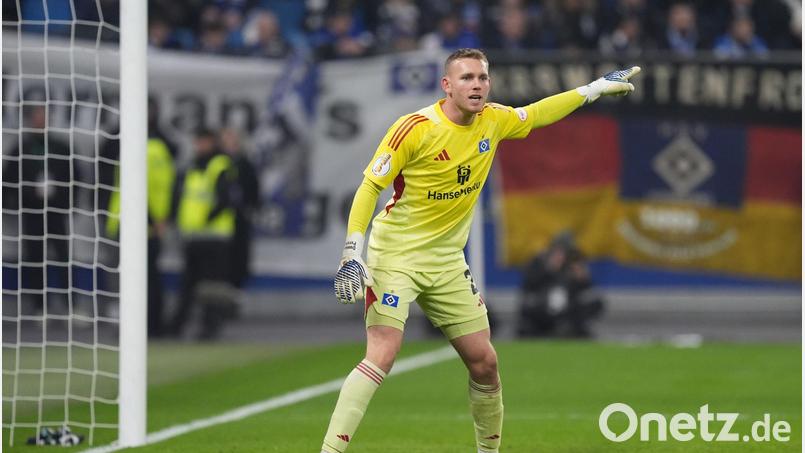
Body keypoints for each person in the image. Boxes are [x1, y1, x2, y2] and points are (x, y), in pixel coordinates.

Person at [322, 48, 640, 453]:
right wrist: (353, 250)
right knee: (383, 353)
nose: (476, 86)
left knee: (485, 363)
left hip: (448, 264)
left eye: (482, 78)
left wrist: (593, 89)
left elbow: (538, 112)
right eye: (467, 78)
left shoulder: (493, 120)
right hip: (396, 258)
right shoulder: (414, 128)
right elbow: (370, 187)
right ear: (447, 85)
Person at [103, 99, 177, 337]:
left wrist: (155, 218)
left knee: (135, 275)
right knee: (142, 276)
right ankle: (147, 324)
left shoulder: (142, 146)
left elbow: (150, 188)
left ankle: (143, 324)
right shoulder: (146, 146)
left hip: (135, 221)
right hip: (134, 221)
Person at [169, 128, 237, 340]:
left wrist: (206, 219)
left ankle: (210, 326)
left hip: (215, 236)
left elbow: (226, 200)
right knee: (189, 283)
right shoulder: (193, 166)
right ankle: (178, 325)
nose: (199, 146)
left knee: (211, 286)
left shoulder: (220, 166)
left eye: (203, 141)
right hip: (194, 236)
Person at [516, 233, 605, 338]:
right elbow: (527, 292)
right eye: (558, 251)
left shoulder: (574, 268)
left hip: (567, 316)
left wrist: (581, 279)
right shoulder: (539, 265)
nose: (561, 256)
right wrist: (549, 269)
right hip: (541, 315)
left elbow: (592, 299)